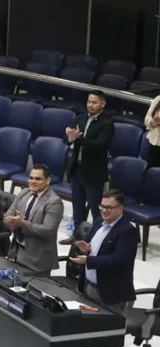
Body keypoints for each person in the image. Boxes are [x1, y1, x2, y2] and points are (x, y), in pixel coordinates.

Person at [70, 189, 138, 347]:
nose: (104, 211)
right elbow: (98, 250)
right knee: (97, 333)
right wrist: (87, 249)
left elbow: (119, 261)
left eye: (109, 207)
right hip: (91, 287)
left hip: (112, 292)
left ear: (121, 208)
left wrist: (89, 259)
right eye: (102, 206)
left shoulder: (127, 231)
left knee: (111, 336)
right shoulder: (99, 222)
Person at [60, 90, 115, 244]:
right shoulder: (80, 118)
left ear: (102, 104)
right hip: (77, 168)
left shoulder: (107, 124)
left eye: (94, 102)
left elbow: (100, 145)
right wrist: (70, 137)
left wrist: (79, 138)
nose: (90, 105)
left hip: (94, 172)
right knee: (77, 206)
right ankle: (77, 237)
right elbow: (66, 139)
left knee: (96, 208)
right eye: (89, 102)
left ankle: (97, 240)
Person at [4, 164, 64, 274]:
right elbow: (8, 215)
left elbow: (48, 230)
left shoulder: (54, 202)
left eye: (38, 179)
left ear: (48, 180)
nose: (33, 181)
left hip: (38, 259)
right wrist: (12, 221)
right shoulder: (24, 193)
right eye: (31, 178)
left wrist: (22, 224)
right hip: (16, 252)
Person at [144, 95, 160, 169]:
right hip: (154, 143)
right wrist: (151, 122)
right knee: (151, 172)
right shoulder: (158, 99)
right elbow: (147, 118)